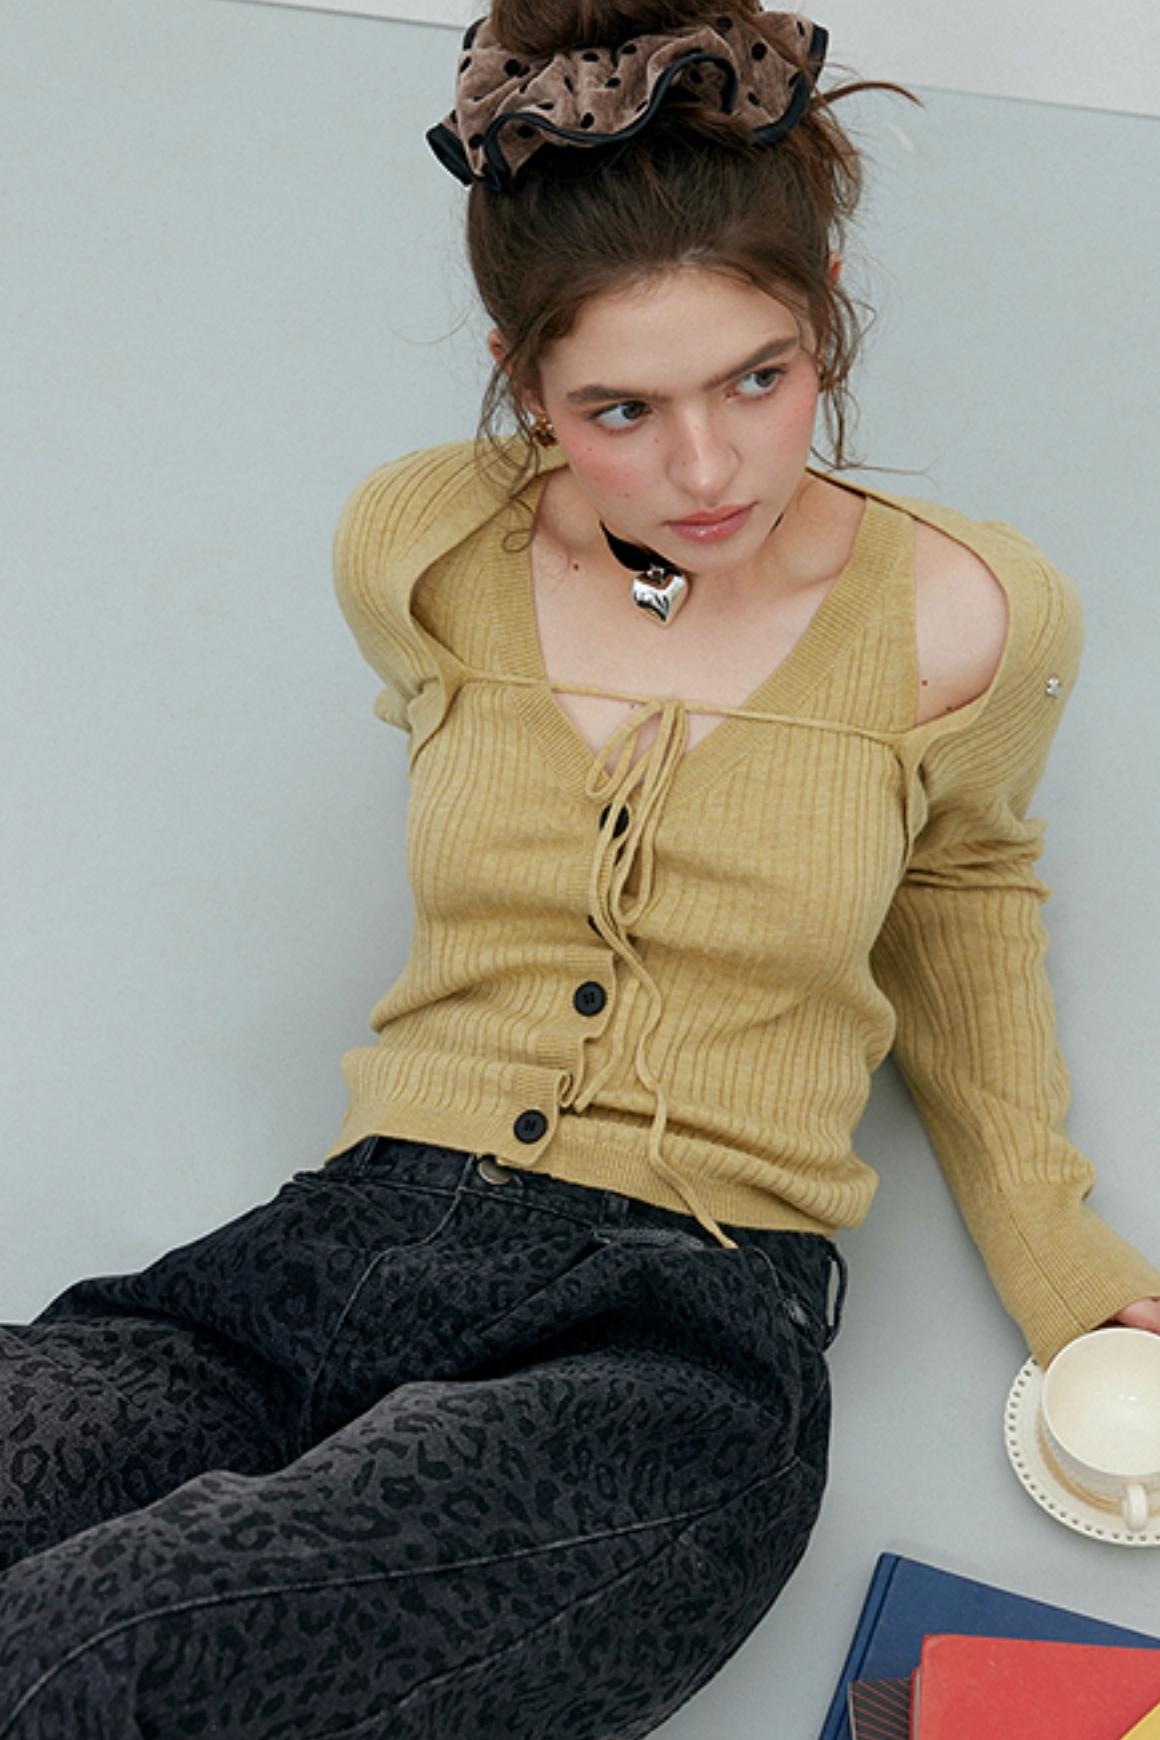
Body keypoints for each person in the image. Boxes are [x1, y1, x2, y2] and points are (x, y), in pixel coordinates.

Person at [2, 1, 1159, 1734]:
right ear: (521, 376)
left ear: (826, 317)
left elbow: (960, 895)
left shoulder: (966, 615)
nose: (706, 468)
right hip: (329, 1251)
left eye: (760, 377)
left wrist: (1062, 1260)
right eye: (621, 407)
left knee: (94, 1666)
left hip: (668, 1336)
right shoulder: (425, 548)